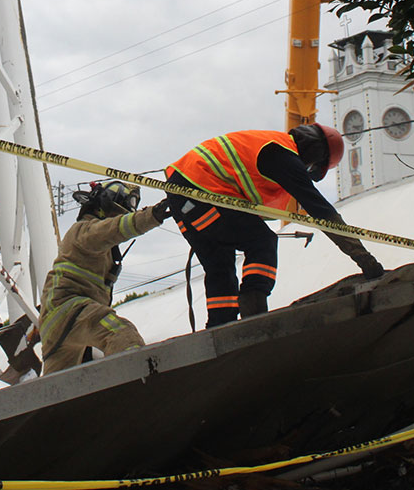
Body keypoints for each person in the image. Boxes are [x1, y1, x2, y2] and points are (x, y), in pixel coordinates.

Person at [163, 125, 385, 328]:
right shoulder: (281, 154)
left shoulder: (268, 145)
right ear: (316, 154)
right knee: (262, 241)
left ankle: (220, 329)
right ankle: (254, 307)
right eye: (311, 168)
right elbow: (322, 212)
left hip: (184, 196)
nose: (306, 170)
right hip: (201, 190)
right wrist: (365, 260)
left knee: (220, 266)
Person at [39, 180, 167, 375]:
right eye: (118, 214)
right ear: (104, 207)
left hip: (56, 322)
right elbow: (114, 229)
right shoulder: (84, 230)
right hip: (70, 309)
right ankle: (142, 383)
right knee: (121, 333)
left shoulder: (97, 246)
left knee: (59, 386)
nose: (118, 219)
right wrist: (151, 216)